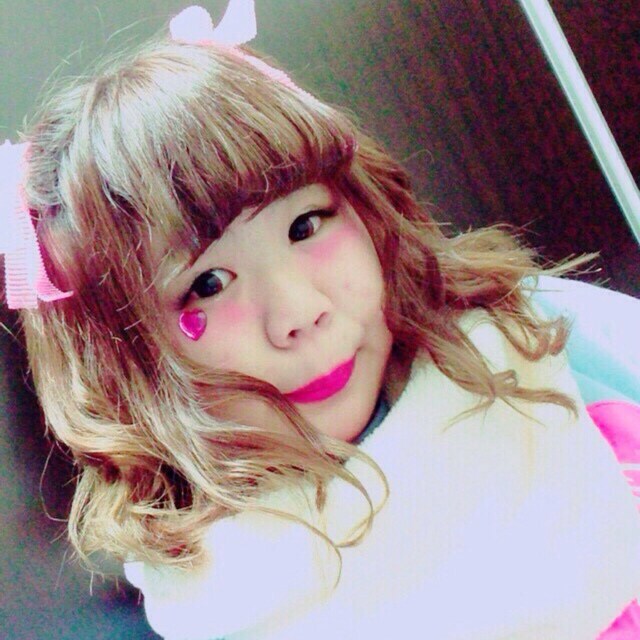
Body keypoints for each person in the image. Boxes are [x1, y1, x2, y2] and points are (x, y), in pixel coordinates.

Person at [2, 2, 640, 638]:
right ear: (123, 361)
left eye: (305, 225)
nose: (300, 313)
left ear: (364, 206)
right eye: (207, 284)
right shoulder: (209, 593)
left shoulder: (520, 340)